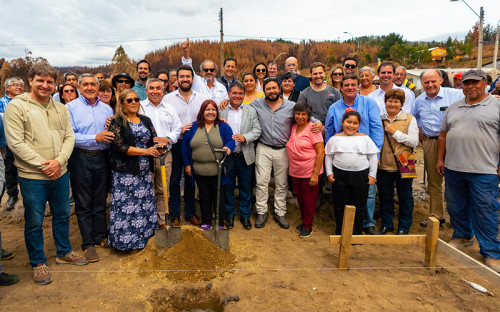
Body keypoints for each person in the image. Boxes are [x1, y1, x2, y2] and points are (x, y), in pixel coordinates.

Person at [4, 62, 88, 285]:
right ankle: (38, 262)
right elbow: (16, 143)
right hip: (33, 176)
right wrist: (44, 165)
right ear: (30, 80)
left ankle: (63, 251)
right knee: (34, 220)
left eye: (49, 81)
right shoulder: (17, 107)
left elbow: (69, 137)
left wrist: (59, 162)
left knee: (61, 214)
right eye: (40, 80)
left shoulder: (60, 108)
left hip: (60, 173)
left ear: (55, 84)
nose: (45, 85)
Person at [437, 69, 500, 273]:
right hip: (454, 167)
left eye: (475, 83)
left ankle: (491, 251)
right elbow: (443, 135)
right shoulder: (454, 107)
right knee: (456, 206)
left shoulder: (496, 105)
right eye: (466, 83)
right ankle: (463, 235)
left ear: (485, 83)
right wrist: (440, 159)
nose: (470, 86)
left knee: (485, 209)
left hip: (484, 169)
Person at [248, 77, 322, 229]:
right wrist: (224, 103)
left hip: (283, 149)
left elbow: (307, 116)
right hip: (264, 147)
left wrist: (318, 123)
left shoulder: (290, 106)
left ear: (279, 88)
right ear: (264, 90)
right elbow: (240, 107)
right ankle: (262, 212)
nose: (272, 91)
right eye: (268, 88)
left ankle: (280, 212)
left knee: (282, 183)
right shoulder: (257, 104)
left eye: (274, 88)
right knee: (261, 182)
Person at [324, 74, 384, 235]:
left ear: (358, 86)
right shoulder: (334, 108)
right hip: (340, 157)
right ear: (341, 88)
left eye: (353, 84)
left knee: (366, 194)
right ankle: (342, 228)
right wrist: (329, 150)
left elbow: (377, 128)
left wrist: (376, 154)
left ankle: (367, 223)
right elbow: (329, 131)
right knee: (341, 198)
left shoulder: (369, 103)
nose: (350, 87)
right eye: (346, 85)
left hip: (364, 155)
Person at [67, 73, 114, 262]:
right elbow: (69, 136)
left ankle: (100, 236)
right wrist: (94, 137)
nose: (89, 87)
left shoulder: (106, 108)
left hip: (102, 158)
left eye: (92, 84)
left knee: (100, 199)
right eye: (85, 84)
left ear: (97, 87)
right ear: (78, 88)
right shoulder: (69, 108)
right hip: (81, 158)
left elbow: (111, 133)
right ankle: (87, 243)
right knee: (84, 202)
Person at [107, 90, 159, 252]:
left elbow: (153, 139)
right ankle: (126, 243)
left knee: (144, 205)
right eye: (129, 100)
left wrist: (159, 147)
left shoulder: (145, 120)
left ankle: (144, 239)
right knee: (127, 208)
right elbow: (119, 146)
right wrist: (145, 151)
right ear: (122, 103)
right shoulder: (116, 122)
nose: (134, 102)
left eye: (136, 99)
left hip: (144, 172)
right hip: (125, 173)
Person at [412, 69, 463, 227]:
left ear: (441, 80)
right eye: (426, 82)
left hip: (454, 141)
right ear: (422, 83)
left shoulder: (455, 95)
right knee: (434, 182)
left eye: (433, 81)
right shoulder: (419, 101)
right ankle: (437, 216)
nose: (430, 85)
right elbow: (415, 118)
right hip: (431, 142)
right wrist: (420, 130)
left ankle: (458, 220)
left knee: (456, 181)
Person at [162, 65, 206, 226]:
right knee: (174, 180)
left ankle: (190, 213)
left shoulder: (201, 98)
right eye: (182, 76)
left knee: (190, 179)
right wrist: (178, 130)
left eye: (188, 76)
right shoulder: (168, 99)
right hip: (176, 144)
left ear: (192, 79)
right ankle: (174, 215)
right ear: (177, 79)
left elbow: (207, 118)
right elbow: (164, 122)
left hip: (195, 146)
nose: (185, 79)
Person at [182, 100, 235, 229]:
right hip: (199, 171)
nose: (210, 112)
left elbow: (231, 140)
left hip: (218, 170)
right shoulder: (193, 127)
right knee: (204, 196)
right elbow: (184, 146)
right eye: (207, 109)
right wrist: (187, 164)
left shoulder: (223, 126)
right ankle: (206, 222)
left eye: (213, 110)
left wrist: (228, 147)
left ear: (217, 112)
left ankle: (220, 223)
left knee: (218, 197)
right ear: (202, 112)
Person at [325, 110, 378, 235]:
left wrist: (372, 175)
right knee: (340, 205)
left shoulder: (365, 139)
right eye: (349, 122)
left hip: (360, 175)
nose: (351, 125)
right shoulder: (334, 139)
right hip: (340, 176)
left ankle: (356, 233)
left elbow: (372, 157)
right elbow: (328, 157)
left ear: (359, 125)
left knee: (359, 206)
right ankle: (341, 232)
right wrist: (329, 173)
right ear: (342, 123)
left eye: (355, 123)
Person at [219, 81, 261, 230]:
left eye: (240, 93)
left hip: (245, 154)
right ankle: (229, 215)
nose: (237, 96)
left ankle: (245, 215)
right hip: (227, 156)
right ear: (229, 94)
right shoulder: (221, 109)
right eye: (234, 93)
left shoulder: (251, 110)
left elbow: (257, 130)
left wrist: (245, 137)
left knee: (246, 186)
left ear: (244, 94)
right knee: (228, 186)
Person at [140, 78, 182, 228]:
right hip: (144, 156)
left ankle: (162, 221)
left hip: (165, 155)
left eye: (158, 88)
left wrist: (168, 138)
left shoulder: (169, 108)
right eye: (151, 88)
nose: (155, 91)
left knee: (163, 189)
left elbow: (177, 128)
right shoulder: (139, 108)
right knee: (145, 188)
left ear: (163, 90)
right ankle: (147, 221)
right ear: (146, 91)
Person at [377, 89, 418, 235]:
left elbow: (414, 142)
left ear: (401, 104)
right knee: (385, 195)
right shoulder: (380, 118)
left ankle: (404, 226)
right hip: (384, 163)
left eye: (396, 101)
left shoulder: (410, 119)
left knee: (405, 197)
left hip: (405, 162)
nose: (392, 104)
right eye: (389, 101)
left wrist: (395, 132)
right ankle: (387, 224)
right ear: (385, 102)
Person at [286, 102, 324, 238]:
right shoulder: (293, 127)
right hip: (295, 171)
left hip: (310, 171)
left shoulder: (313, 129)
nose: (300, 116)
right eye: (298, 113)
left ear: (309, 116)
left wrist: (315, 174)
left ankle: (308, 226)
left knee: (309, 200)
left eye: (303, 114)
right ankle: (304, 222)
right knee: (301, 200)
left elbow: (321, 152)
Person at [0, 77, 24, 210]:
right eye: (15, 85)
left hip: (26, 140)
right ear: (7, 88)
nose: (19, 87)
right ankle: (12, 195)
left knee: (28, 168)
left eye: (21, 85)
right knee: (10, 168)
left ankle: (28, 197)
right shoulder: (1, 103)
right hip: (9, 141)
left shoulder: (27, 101)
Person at [181, 38, 228, 105]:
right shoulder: (197, 82)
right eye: (206, 70)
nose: (209, 72)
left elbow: (226, 103)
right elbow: (188, 67)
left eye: (211, 70)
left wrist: (226, 101)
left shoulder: (222, 88)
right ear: (202, 72)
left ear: (215, 72)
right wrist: (186, 51)